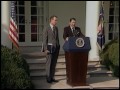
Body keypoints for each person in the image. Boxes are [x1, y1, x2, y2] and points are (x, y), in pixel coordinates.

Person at [42, 15, 60, 83]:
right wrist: (45, 49)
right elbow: (44, 40)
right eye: (55, 20)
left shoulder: (56, 28)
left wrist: (58, 46)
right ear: (51, 20)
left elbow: (57, 39)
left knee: (53, 64)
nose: (56, 22)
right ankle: (48, 78)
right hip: (49, 49)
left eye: (56, 20)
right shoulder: (46, 28)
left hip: (56, 49)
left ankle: (52, 77)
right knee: (48, 64)